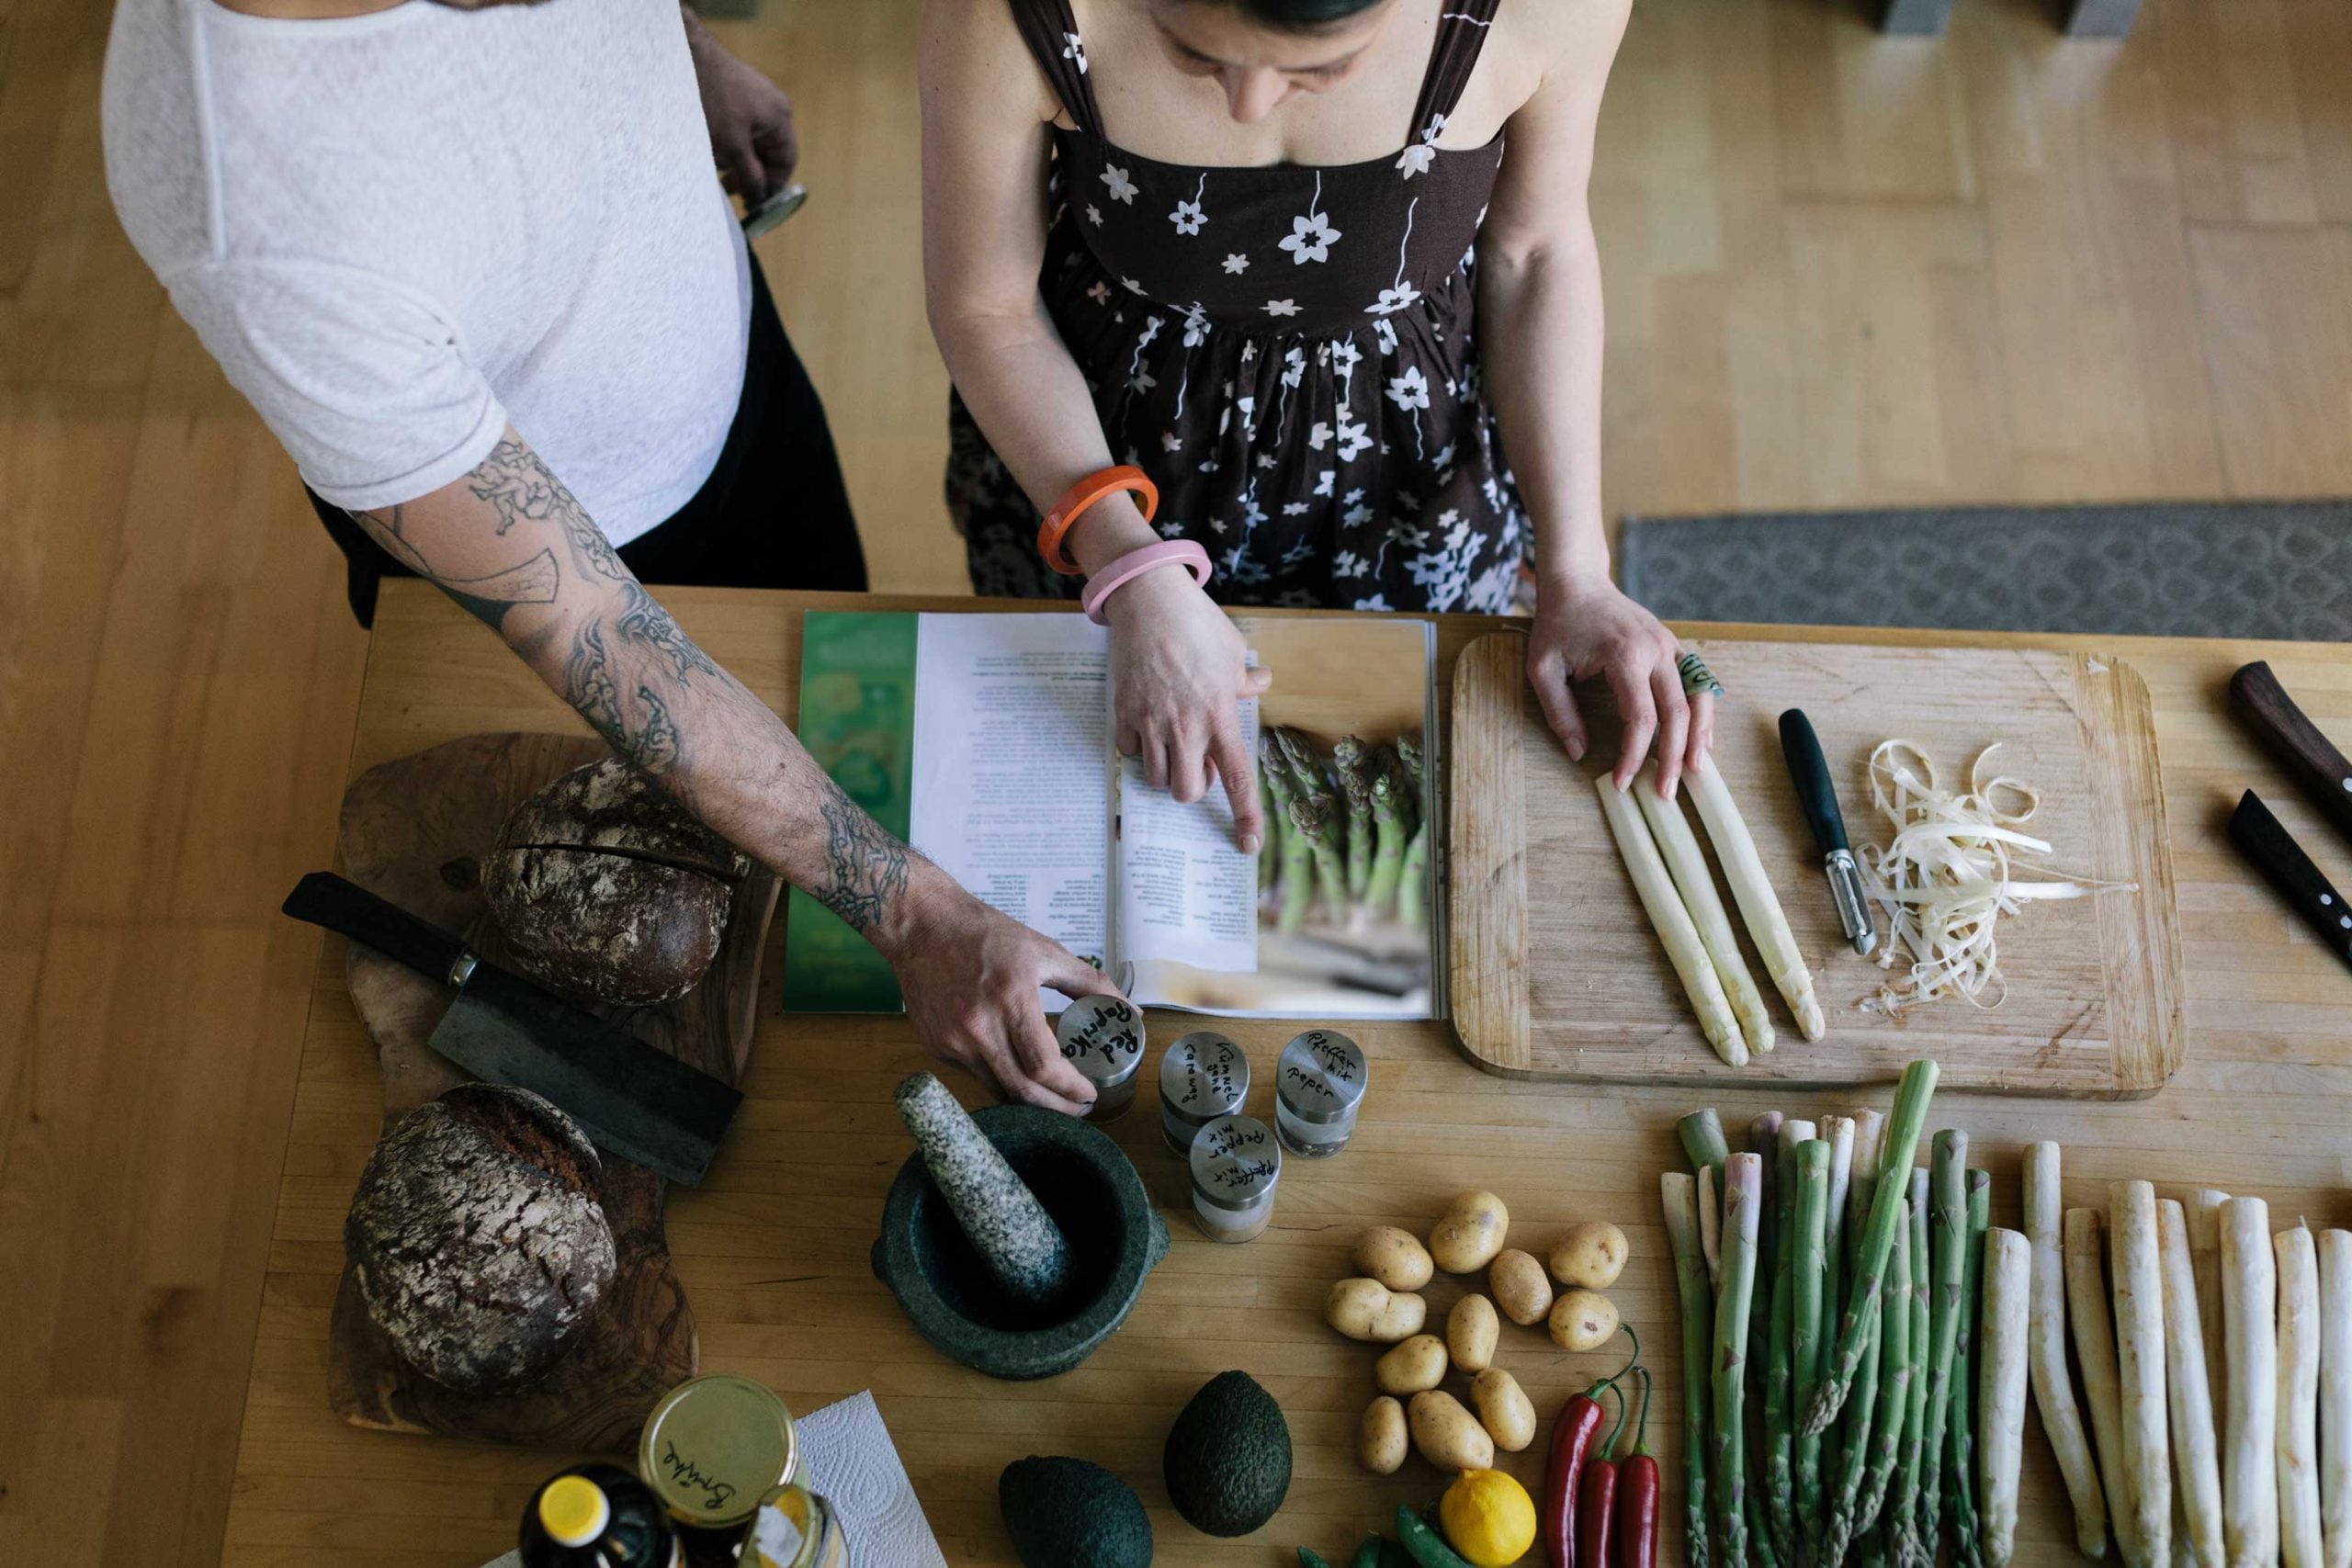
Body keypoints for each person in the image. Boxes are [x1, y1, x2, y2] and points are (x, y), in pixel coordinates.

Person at [103, 0, 1118, 1113]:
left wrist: (681, 45)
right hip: (594, 570)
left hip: (735, 370)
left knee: (827, 735)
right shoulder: (256, 216)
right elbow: (592, 625)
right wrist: (918, 916)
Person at [922, 0, 1721, 847]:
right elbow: (990, 310)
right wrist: (1127, 564)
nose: (1249, 103)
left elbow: (1535, 252)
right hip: (1108, 462)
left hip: (1404, 478)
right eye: (1191, 51)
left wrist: (1578, 572)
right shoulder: (1005, 12)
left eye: (1319, 67)